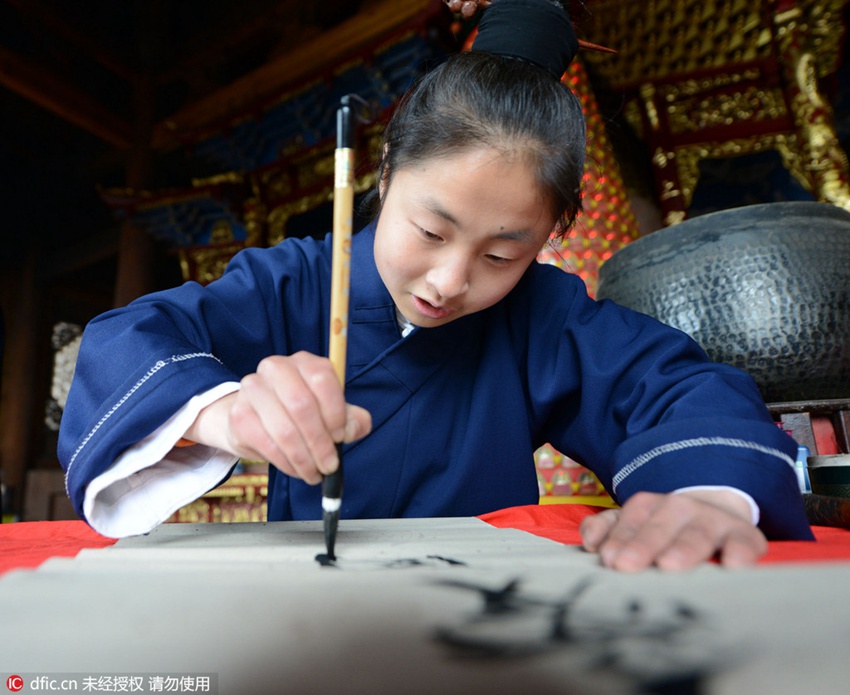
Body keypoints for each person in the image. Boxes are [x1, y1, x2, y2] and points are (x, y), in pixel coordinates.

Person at [58, 0, 812, 571]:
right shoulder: (295, 281)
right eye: (431, 231)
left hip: (482, 598)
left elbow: (679, 388)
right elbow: (127, 341)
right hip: (304, 593)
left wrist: (707, 494)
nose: (450, 281)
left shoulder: (541, 317)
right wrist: (223, 409)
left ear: (547, 237)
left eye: (502, 254)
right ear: (384, 175)